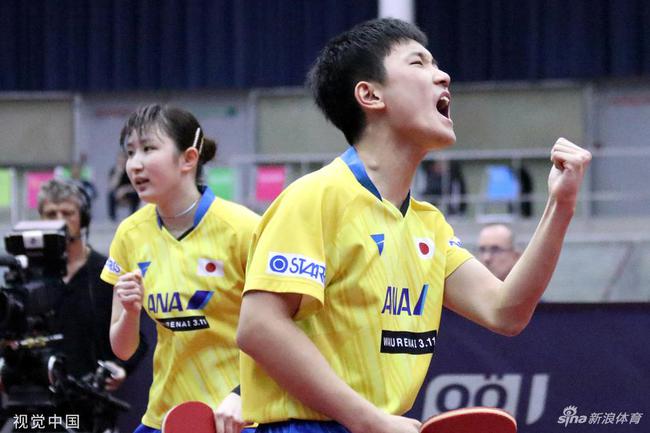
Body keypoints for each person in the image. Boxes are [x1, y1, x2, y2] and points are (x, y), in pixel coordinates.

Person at [236, 17, 591, 433]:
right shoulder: (316, 197)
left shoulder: (428, 225)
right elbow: (259, 327)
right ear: (370, 95)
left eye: (435, 64)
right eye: (418, 63)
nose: (443, 75)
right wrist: (369, 420)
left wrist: (560, 205)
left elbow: (505, 311)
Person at [101, 104, 260, 433]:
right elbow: (123, 349)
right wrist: (130, 312)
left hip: (237, 416)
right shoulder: (130, 234)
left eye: (148, 149)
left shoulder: (243, 229)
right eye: (130, 152)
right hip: (165, 417)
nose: (135, 164)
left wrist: (243, 394)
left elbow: (287, 333)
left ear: (188, 159)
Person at [0, 178, 147, 432]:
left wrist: (120, 367)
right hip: (30, 403)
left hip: (85, 406)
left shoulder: (106, 273)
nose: (60, 220)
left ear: (84, 219)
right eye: (51, 214)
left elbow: (137, 338)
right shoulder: (22, 277)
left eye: (67, 213)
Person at [108, 152, 140, 221]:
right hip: (117, 194)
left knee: (136, 195)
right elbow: (112, 186)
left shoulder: (131, 170)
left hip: (129, 192)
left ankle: (133, 217)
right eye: (120, 159)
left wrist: (124, 190)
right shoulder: (114, 170)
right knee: (110, 194)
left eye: (123, 159)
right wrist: (118, 173)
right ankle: (112, 219)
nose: (121, 161)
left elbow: (135, 186)